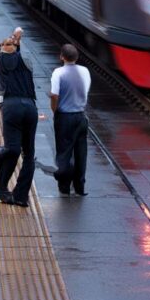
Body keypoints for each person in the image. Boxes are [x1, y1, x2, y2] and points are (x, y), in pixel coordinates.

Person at [0, 32, 38, 207]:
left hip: (11, 106)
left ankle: (3, 190)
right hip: (30, 106)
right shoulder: (27, 61)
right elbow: (20, 53)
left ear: (2, 49)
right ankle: (20, 196)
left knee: (12, 149)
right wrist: (18, 41)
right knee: (29, 154)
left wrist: (8, 43)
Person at [50, 43, 91, 196]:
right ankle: (80, 187)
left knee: (64, 153)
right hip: (81, 117)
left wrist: (55, 109)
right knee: (81, 153)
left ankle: (64, 187)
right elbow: (85, 91)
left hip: (65, 117)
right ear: (77, 57)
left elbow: (54, 95)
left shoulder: (58, 73)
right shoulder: (84, 71)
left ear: (61, 57)